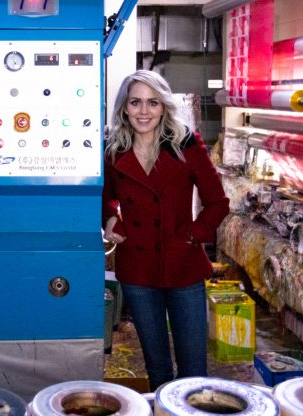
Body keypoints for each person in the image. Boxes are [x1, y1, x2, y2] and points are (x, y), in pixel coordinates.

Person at [102, 70, 230, 391]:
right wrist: (110, 219)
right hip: (138, 270)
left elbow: (218, 203)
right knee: (157, 368)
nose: (144, 111)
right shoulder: (114, 149)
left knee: (194, 371)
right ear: (125, 107)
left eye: (153, 102)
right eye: (136, 102)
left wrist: (193, 235)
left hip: (183, 266)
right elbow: (102, 197)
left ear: (163, 107)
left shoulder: (186, 144)